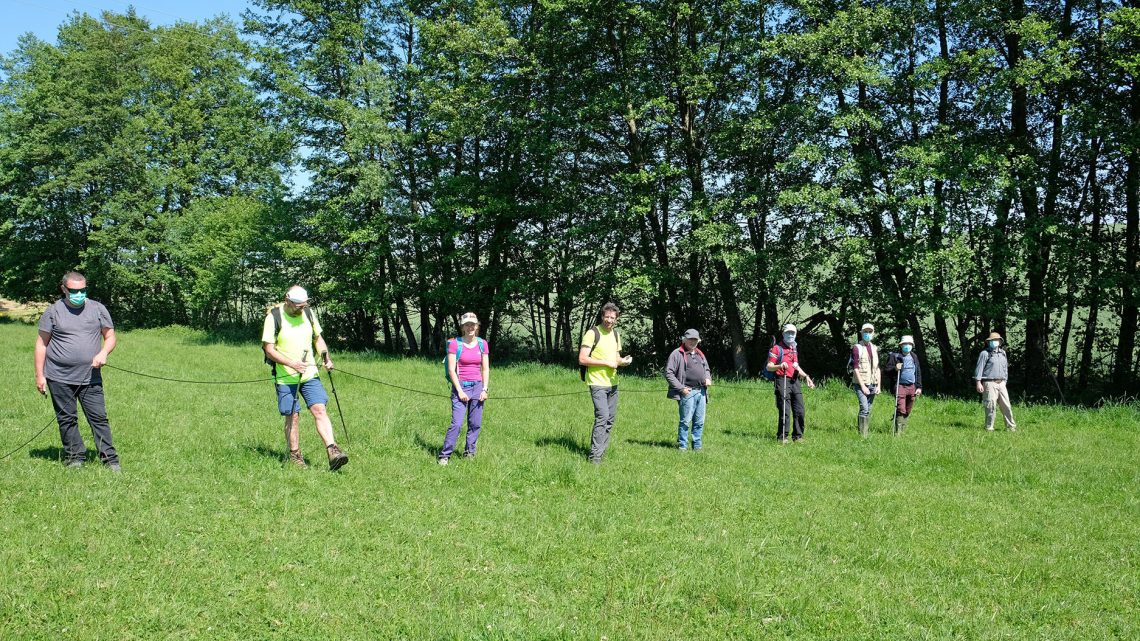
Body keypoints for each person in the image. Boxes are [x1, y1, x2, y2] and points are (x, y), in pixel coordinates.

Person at [33, 271, 121, 471]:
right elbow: (41, 344)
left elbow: (110, 336)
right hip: (58, 376)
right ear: (64, 289)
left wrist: (104, 353)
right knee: (67, 418)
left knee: (98, 417)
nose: (79, 294)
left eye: (83, 290)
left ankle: (110, 460)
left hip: (90, 376)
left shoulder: (98, 309)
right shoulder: (53, 312)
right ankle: (75, 457)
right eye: (74, 291)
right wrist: (40, 375)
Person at [261, 286, 348, 470]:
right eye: (298, 306)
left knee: (319, 409)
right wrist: (292, 364)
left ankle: (333, 451)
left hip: (309, 374)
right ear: (287, 300)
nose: (301, 309)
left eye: (304, 305)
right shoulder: (274, 317)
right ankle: (295, 455)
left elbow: (318, 338)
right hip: (286, 376)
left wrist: (326, 357)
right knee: (293, 416)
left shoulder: (308, 313)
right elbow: (268, 349)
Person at [578, 303, 632, 463]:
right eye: (607, 317)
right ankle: (595, 458)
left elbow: (615, 358)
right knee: (602, 417)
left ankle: (601, 453)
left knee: (610, 419)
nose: (609, 320)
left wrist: (623, 361)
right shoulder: (592, 333)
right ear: (602, 317)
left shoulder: (615, 335)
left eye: (612, 318)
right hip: (597, 382)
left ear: (616, 319)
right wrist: (606, 363)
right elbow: (582, 359)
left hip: (613, 382)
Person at [438, 312, 490, 465]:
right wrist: (460, 391)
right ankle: (445, 455)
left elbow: (485, 369)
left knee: (475, 424)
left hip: (478, 387)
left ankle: (469, 452)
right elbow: (451, 370)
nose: (470, 327)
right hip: (460, 387)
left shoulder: (482, 344)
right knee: (457, 423)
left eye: (473, 324)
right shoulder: (455, 344)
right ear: (462, 327)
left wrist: (485, 389)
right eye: (467, 324)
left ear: (477, 326)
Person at [766, 324, 816, 443]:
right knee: (785, 410)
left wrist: (806, 377)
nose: (790, 335)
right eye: (788, 333)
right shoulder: (777, 348)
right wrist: (780, 365)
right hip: (781, 380)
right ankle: (782, 437)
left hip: (795, 381)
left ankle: (798, 436)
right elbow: (769, 367)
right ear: (783, 334)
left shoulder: (794, 348)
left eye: (792, 333)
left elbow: (796, 366)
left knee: (800, 410)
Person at [665, 329, 713, 451]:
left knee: (699, 421)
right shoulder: (677, 354)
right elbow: (669, 373)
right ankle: (683, 446)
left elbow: (706, 369)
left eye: (695, 340)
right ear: (684, 340)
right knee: (685, 421)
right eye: (690, 339)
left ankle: (697, 446)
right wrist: (681, 389)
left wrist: (707, 378)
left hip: (701, 392)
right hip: (687, 392)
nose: (693, 342)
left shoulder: (700, 354)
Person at [974, 331, 1017, 432]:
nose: (994, 342)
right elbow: (979, 368)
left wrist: (1005, 381)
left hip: (1001, 383)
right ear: (989, 342)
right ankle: (989, 427)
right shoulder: (984, 353)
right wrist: (978, 382)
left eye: (996, 340)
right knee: (990, 406)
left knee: (1006, 405)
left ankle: (1011, 427)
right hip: (989, 383)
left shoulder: (1003, 353)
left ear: (1000, 341)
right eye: (992, 341)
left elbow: (1005, 368)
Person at [884, 335, 922, 434]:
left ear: (912, 345)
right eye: (905, 344)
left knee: (908, 409)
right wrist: (895, 368)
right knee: (901, 408)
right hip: (900, 386)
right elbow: (887, 371)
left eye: (909, 344)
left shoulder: (914, 356)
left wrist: (919, 387)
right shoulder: (895, 356)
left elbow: (917, 372)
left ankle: (903, 429)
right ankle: (898, 433)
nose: (907, 346)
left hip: (912, 386)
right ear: (901, 345)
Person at [851, 322, 881, 437]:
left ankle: (865, 431)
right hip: (860, 383)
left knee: (869, 408)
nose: (867, 334)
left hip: (873, 383)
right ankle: (862, 435)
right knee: (864, 407)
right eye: (865, 332)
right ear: (861, 333)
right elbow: (855, 368)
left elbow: (877, 368)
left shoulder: (874, 348)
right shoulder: (857, 348)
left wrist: (878, 385)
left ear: (873, 333)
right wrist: (862, 386)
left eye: (870, 332)